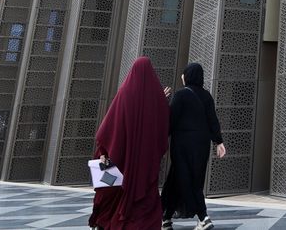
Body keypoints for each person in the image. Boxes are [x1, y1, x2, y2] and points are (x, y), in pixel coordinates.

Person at [88, 57, 170, 230]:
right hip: (144, 166)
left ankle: (107, 221)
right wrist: (161, 99)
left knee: (116, 189)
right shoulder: (156, 98)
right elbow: (162, 127)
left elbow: (109, 126)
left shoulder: (125, 92)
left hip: (121, 160)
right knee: (144, 198)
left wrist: (104, 150)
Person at [161, 62, 226, 230]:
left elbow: (169, 121)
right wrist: (219, 142)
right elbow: (213, 120)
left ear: (188, 76)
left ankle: (203, 218)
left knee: (186, 179)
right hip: (201, 146)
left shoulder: (181, 95)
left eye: (184, 73)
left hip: (182, 146)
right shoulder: (207, 96)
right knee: (182, 179)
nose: (182, 76)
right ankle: (165, 218)